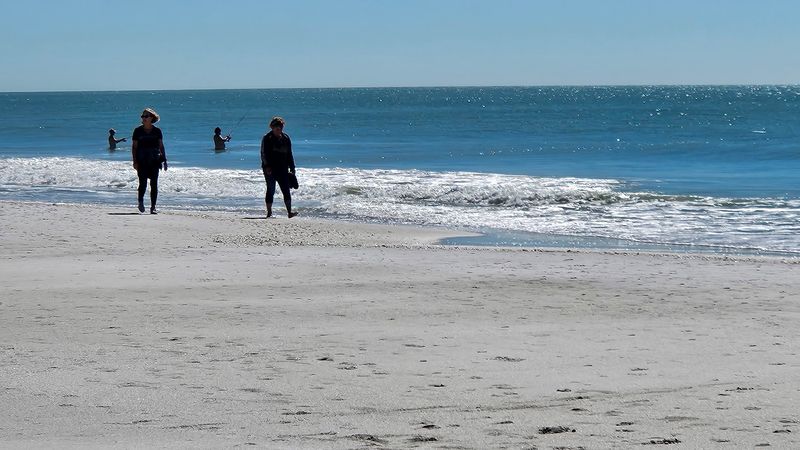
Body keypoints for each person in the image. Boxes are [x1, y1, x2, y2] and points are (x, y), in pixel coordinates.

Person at [131, 108, 167, 214]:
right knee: (142, 183)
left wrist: (165, 160)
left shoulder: (157, 131)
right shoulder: (137, 131)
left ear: (152, 118)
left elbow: (161, 146)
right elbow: (134, 147)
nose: (143, 118)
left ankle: (153, 207)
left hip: (154, 160)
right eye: (142, 116)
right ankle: (140, 202)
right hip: (141, 160)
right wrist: (134, 161)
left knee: (154, 184)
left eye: (146, 116)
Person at [260, 116, 297, 218]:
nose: (279, 130)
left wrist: (292, 167)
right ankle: (269, 212)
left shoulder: (286, 138)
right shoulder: (267, 138)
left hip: (282, 168)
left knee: (286, 189)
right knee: (271, 189)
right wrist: (267, 166)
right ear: (272, 127)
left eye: (280, 127)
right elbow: (263, 153)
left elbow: (289, 153)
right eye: (277, 128)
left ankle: (289, 212)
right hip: (270, 169)